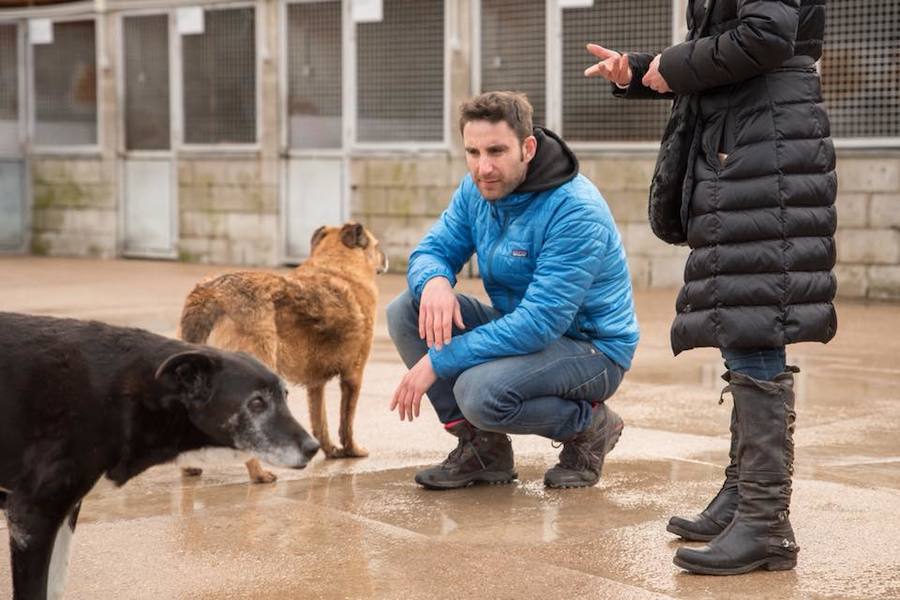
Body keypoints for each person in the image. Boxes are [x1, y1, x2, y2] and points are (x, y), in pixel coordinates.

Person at [584, 0, 835, 576]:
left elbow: (769, 36)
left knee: (754, 326)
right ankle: (743, 497)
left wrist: (675, 61)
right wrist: (644, 69)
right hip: (751, 143)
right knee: (740, 324)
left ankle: (766, 522)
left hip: (765, 149)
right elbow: (731, 50)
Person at [386, 91, 639, 491]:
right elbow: (433, 249)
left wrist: (440, 361)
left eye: (497, 151)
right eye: (473, 152)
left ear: (528, 148)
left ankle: (589, 427)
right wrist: (434, 280)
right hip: (524, 329)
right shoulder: (478, 190)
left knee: (480, 393)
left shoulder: (574, 209)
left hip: (592, 350)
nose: (483, 167)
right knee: (406, 309)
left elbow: (540, 322)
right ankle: (483, 450)